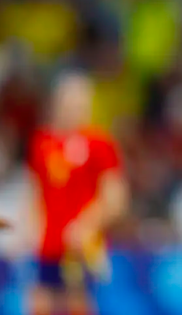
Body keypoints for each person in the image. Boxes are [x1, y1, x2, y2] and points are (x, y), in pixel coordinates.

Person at [24, 72, 129, 315]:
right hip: (48, 245)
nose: (75, 110)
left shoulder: (100, 144)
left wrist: (87, 225)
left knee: (79, 304)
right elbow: (35, 193)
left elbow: (115, 198)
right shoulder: (42, 142)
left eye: (80, 104)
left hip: (82, 245)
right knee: (39, 304)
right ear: (56, 104)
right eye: (69, 103)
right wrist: (30, 233)